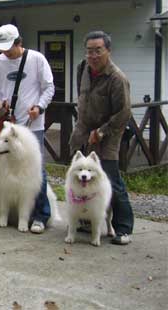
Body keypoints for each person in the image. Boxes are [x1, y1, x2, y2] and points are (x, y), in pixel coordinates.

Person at [0, 24, 55, 234]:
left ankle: (40, 215)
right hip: (8, 125)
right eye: (2, 48)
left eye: (9, 47)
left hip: (33, 126)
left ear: (19, 42)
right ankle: (4, 212)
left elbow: (49, 87)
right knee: (4, 169)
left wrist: (40, 107)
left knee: (35, 170)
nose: (6, 52)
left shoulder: (36, 59)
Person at [69, 31, 134, 245]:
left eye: (98, 50)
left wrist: (102, 132)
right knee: (81, 178)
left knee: (112, 182)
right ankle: (88, 221)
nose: (93, 55)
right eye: (89, 51)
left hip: (108, 136)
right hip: (84, 132)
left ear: (108, 51)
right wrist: (81, 133)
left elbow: (124, 112)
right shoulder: (83, 69)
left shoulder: (117, 78)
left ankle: (123, 228)